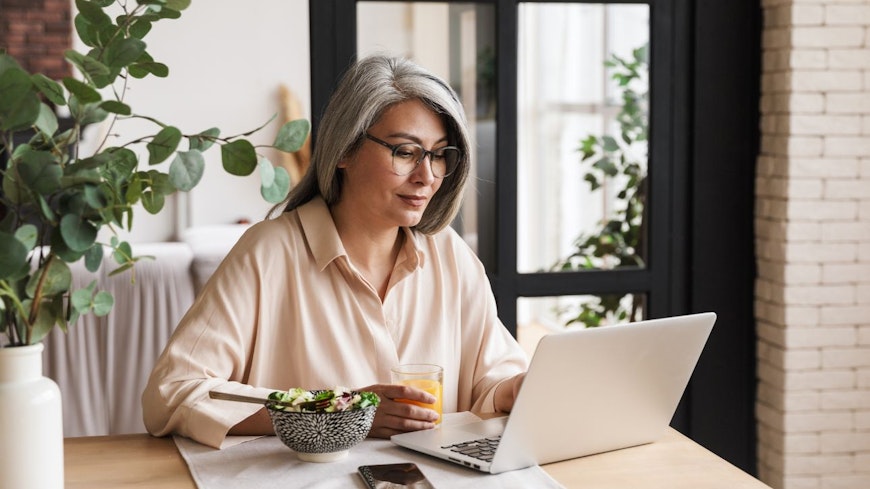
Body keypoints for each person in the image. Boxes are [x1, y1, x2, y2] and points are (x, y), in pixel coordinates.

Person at [141, 54, 528, 449]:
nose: (426, 176)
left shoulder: (451, 256)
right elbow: (173, 393)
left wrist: (514, 390)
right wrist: (338, 413)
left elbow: (492, 380)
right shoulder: (268, 252)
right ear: (345, 149)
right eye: (405, 151)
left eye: (439, 154)